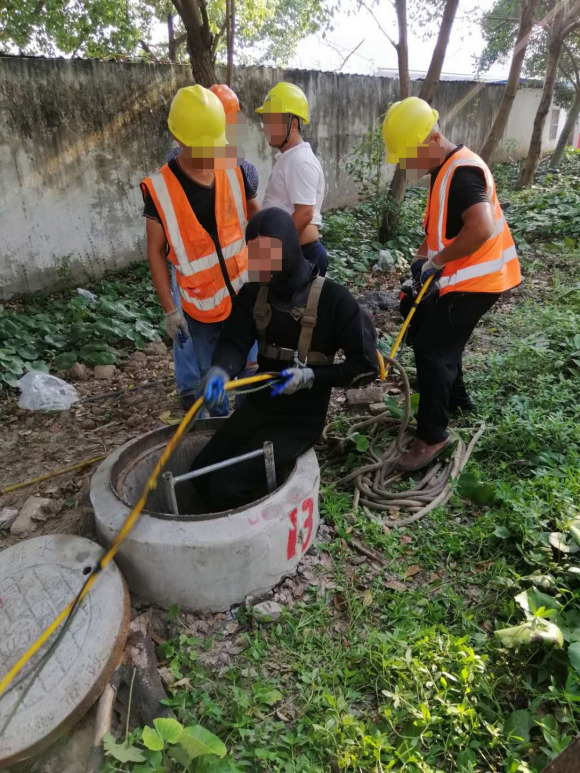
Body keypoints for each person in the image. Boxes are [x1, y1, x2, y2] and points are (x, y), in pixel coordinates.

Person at [189, 207, 379, 513]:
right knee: (200, 472)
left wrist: (313, 377)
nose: (259, 263)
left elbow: (366, 365)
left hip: (301, 418)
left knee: (227, 484)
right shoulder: (253, 294)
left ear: (289, 248)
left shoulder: (334, 301)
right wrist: (220, 370)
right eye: (254, 254)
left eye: (267, 254)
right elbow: (234, 341)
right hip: (260, 406)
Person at [382, 96, 522, 472]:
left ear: (431, 139)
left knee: (432, 348)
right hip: (463, 274)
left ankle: (432, 437)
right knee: (432, 328)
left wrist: (437, 262)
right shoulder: (443, 169)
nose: (407, 165)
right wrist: (418, 266)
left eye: (409, 155)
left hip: (480, 278)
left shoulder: (461, 172)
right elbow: (439, 231)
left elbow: (481, 227)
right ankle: (456, 401)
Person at [141, 85, 258, 415]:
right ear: (180, 140)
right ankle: (219, 429)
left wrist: (272, 273)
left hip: (243, 293)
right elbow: (155, 250)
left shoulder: (233, 167)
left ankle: (247, 424)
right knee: (212, 377)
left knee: (250, 368)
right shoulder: (160, 188)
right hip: (200, 308)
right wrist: (169, 309)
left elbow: (260, 218)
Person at [256, 82, 328, 276]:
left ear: (293, 124)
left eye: (271, 120)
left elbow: (305, 213)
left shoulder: (300, 161)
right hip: (290, 252)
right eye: (265, 120)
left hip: (299, 255)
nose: (266, 128)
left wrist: (271, 253)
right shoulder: (290, 158)